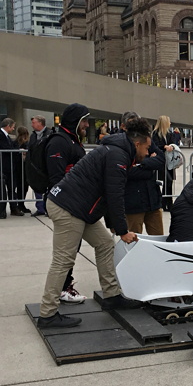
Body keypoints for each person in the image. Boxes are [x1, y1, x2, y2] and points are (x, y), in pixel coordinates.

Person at [37, 117, 152, 328]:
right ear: (138, 142)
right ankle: (47, 314)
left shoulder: (117, 150)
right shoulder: (118, 154)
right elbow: (115, 194)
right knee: (63, 260)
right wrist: (123, 230)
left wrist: (114, 225)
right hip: (68, 208)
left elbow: (108, 194)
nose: (147, 153)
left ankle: (112, 296)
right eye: (147, 147)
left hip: (81, 209)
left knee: (105, 244)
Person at [45, 103, 92, 304]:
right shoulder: (59, 142)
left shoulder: (72, 141)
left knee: (82, 247)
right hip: (67, 206)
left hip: (78, 205)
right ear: (75, 121)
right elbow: (56, 177)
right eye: (85, 120)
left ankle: (65, 287)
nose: (88, 125)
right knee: (65, 254)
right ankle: (60, 292)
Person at [117, 111, 169, 236]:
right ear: (124, 126)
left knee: (159, 238)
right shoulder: (119, 144)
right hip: (133, 201)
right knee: (134, 240)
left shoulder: (146, 138)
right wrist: (149, 163)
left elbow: (161, 159)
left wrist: (142, 164)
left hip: (152, 199)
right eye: (132, 125)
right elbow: (127, 171)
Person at [0, 117, 24, 216]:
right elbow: (6, 148)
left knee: (12, 187)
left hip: (9, 166)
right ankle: (4, 208)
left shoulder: (6, 136)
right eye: (12, 127)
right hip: (3, 166)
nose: (13, 129)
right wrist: (17, 150)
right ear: (8, 126)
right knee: (5, 188)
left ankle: (14, 208)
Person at [28, 115, 52, 216]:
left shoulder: (50, 134)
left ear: (40, 123)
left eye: (34, 122)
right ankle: (40, 208)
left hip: (46, 165)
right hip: (35, 166)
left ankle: (49, 209)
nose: (32, 125)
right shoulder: (33, 136)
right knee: (37, 187)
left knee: (49, 188)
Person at [152, 116, 177, 211]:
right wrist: (164, 147)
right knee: (166, 180)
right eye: (169, 122)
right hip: (161, 160)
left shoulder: (170, 134)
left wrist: (171, 146)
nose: (170, 123)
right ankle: (164, 202)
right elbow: (155, 146)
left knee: (169, 182)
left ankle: (167, 202)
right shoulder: (155, 134)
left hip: (169, 160)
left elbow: (174, 143)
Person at [12, 126, 31, 213]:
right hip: (23, 167)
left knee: (20, 186)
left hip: (18, 167)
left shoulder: (15, 142)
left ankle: (20, 204)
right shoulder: (25, 142)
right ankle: (21, 204)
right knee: (23, 186)